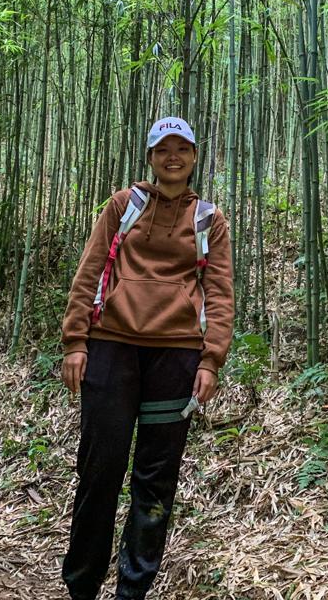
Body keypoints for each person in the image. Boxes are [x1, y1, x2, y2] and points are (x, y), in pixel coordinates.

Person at [59, 117, 234, 600]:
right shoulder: (124, 205)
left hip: (175, 358)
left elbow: (219, 292)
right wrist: (76, 341)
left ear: (195, 157)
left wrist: (210, 359)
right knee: (99, 470)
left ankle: (132, 590)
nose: (172, 157)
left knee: (156, 479)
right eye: (163, 149)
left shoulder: (209, 219)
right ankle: (81, 586)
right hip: (112, 348)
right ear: (151, 156)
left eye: (182, 149)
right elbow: (92, 268)